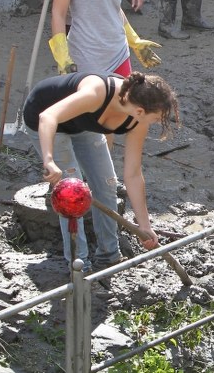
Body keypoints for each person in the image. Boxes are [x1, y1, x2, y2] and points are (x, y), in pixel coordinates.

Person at [22, 71, 178, 270]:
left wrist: (144, 225)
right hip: (45, 118)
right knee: (72, 194)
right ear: (140, 111)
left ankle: (109, 256)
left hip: (83, 125)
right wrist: (49, 160)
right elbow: (48, 116)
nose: (155, 123)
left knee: (107, 184)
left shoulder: (137, 120)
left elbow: (133, 174)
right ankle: (80, 266)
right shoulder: (96, 93)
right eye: (155, 119)